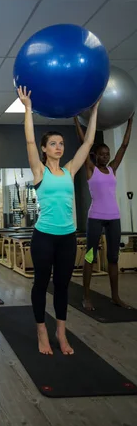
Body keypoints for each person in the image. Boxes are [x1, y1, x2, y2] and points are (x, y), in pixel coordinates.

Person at [18, 86, 99, 355]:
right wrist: (28, 108)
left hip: (68, 236)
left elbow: (87, 144)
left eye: (61, 144)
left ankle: (61, 332)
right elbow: (29, 141)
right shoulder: (39, 171)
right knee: (41, 284)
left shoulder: (69, 170)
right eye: (53, 143)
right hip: (43, 237)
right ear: (44, 149)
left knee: (63, 286)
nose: (58, 147)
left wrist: (94, 111)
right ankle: (42, 330)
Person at [74, 114, 134, 310]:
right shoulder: (91, 169)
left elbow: (124, 147)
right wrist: (76, 119)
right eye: (102, 154)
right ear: (95, 155)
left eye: (107, 154)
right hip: (96, 218)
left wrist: (130, 122)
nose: (106, 156)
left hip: (114, 218)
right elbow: (84, 143)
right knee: (90, 256)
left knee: (113, 258)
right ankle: (86, 297)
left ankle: (115, 297)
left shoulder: (113, 168)